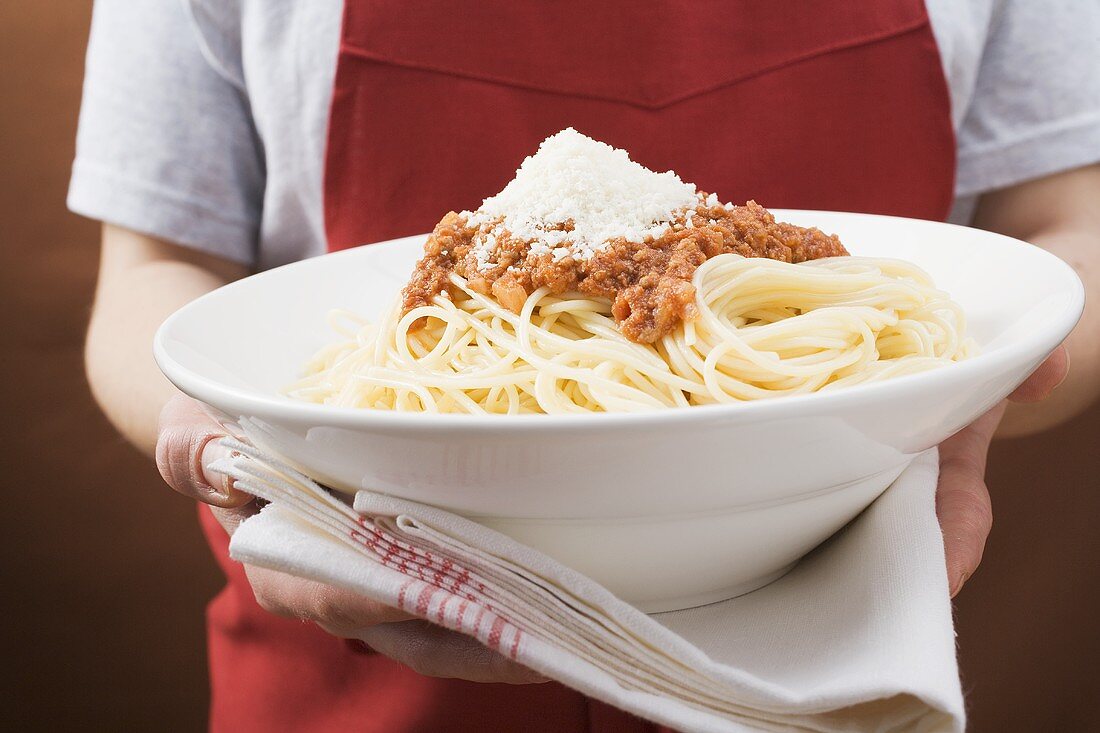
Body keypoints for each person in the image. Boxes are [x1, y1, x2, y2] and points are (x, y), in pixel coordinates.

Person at [72, 1, 1099, 731]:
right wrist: (250, 456)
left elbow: (1069, 229)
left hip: (825, 655)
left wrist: (947, 398)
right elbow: (157, 269)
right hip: (358, 670)